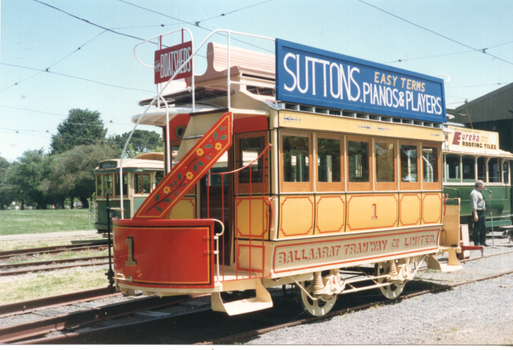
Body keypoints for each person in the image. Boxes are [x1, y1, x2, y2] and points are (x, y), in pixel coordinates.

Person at [471, 180, 488, 246]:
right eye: (483, 184)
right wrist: (475, 214)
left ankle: (483, 242)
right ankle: (477, 243)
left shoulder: (479, 192)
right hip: (477, 212)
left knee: (484, 227)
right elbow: (474, 204)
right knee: (477, 228)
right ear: (479, 185)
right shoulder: (474, 193)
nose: (483, 186)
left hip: (482, 211)